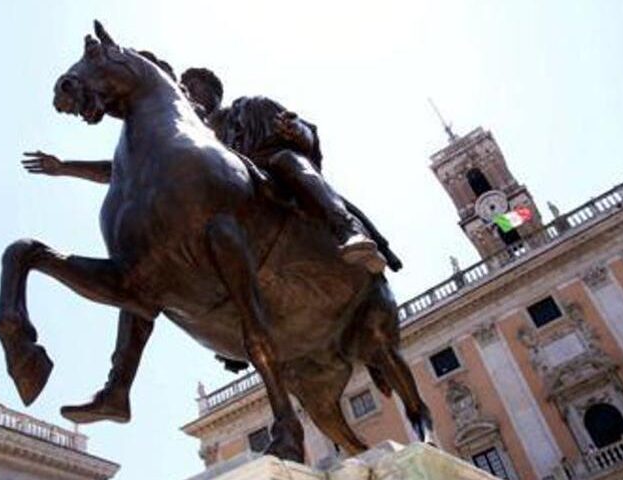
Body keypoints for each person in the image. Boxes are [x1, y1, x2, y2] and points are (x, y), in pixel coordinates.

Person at [24, 61, 401, 423]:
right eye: (184, 87)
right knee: (143, 272)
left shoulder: (242, 111)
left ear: (213, 95)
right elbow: (123, 171)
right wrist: (64, 167)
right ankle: (118, 386)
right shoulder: (171, 131)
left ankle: (344, 227)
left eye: (196, 88)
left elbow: (306, 135)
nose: (187, 92)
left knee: (290, 162)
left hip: (261, 180)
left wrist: (294, 131)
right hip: (209, 218)